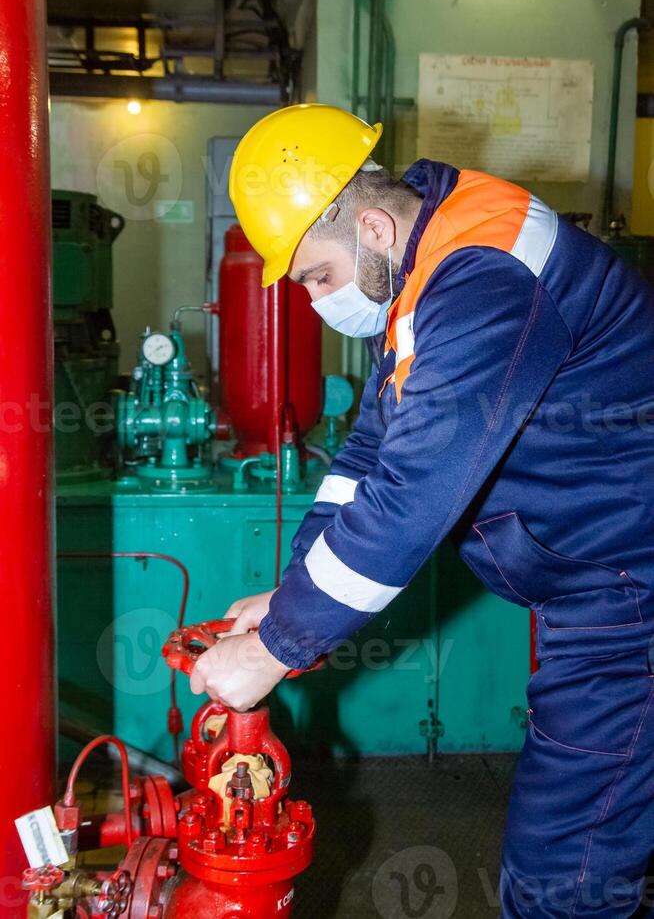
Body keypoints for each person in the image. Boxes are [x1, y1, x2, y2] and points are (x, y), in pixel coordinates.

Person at [190, 104, 654, 917]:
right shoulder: (424, 265)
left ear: (371, 224)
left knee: (564, 869)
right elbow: (370, 452)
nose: (315, 302)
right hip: (590, 574)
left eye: (316, 277)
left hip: (628, 589)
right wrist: (289, 594)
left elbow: (412, 494)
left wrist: (274, 649)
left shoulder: (482, 276)